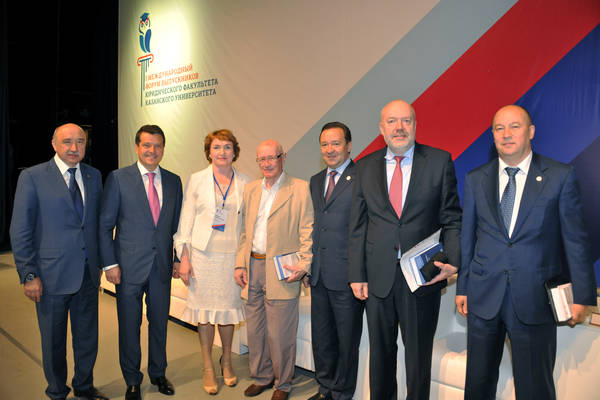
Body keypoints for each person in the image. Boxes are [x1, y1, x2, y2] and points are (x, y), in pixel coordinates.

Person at [455, 105, 597, 400]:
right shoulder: (475, 178)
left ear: (530, 132)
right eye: (499, 128)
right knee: (478, 386)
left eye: (515, 126)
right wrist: (463, 287)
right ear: (492, 134)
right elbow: (468, 238)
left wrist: (583, 295)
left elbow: (576, 241)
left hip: (534, 301)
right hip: (483, 298)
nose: (506, 134)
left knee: (535, 389)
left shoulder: (559, 176)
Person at [348, 99, 462, 400]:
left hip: (422, 277)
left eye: (406, 121)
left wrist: (453, 260)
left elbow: (452, 218)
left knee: (418, 357)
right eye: (392, 121)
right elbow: (358, 225)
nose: (399, 127)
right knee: (381, 356)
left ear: (415, 125)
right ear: (381, 128)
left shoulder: (439, 161)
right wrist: (356, 274)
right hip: (378, 277)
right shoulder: (364, 167)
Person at [9, 123, 107, 400]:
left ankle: (84, 387)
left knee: (87, 339)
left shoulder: (94, 176)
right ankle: (56, 391)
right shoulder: (32, 177)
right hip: (50, 276)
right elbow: (20, 229)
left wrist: (101, 263)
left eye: (80, 141)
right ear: (54, 144)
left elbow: (96, 225)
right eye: (67, 142)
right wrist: (29, 275)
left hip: (87, 274)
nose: (74, 148)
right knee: (53, 341)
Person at [99, 125, 183, 400]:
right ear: (137, 147)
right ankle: (132, 380)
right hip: (127, 268)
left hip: (161, 268)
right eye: (147, 145)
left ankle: (158, 373)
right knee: (129, 326)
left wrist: (178, 258)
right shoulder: (118, 179)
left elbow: (178, 227)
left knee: (159, 325)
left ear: (163, 149)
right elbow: (105, 225)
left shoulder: (173, 181)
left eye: (157, 145)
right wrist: (110, 264)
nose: (152, 150)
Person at [234, 140, 314, 400]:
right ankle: (262, 376)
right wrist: (240, 263)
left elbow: (307, 230)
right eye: (262, 159)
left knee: (280, 332)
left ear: (283, 157)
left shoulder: (300, 188)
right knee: (255, 329)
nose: (267, 164)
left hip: (282, 269)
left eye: (272, 157)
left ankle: (283, 384)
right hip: (253, 265)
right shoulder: (251, 189)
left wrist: (304, 265)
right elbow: (244, 232)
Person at [172, 129, 250, 394]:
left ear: (234, 152)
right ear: (209, 152)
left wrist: (244, 260)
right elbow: (185, 221)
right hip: (202, 257)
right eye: (217, 147)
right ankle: (207, 365)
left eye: (227, 147)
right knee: (204, 314)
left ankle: (226, 361)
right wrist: (184, 258)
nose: (222, 152)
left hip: (231, 258)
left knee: (228, 313)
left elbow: (246, 225)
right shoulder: (197, 180)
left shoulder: (245, 182)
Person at [308, 122, 364, 400]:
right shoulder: (316, 180)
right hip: (318, 274)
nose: (329, 149)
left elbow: (364, 229)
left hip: (347, 277)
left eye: (336, 143)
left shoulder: (363, 177)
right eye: (324, 144)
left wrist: (360, 274)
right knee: (322, 339)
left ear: (349, 145)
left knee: (346, 341)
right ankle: (325, 388)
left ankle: (342, 394)